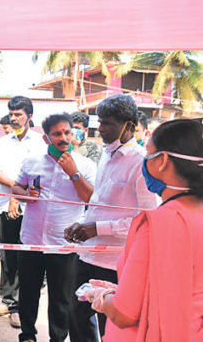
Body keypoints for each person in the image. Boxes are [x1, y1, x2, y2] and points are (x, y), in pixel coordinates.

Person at [83, 119, 203, 341]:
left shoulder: (157, 225)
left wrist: (101, 297)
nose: (144, 161)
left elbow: (124, 313)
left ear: (163, 161)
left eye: (148, 153)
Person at [65, 94, 157, 341]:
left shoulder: (140, 163)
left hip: (116, 263)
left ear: (128, 125)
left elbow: (146, 221)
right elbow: (98, 202)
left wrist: (98, 228)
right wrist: (83, 226)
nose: (100, 129)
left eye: (108, 124)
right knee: (76, 316)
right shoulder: (106, 154)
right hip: (87, 255)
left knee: (112, 327)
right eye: (100, 122)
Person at [12, 113, 96, 342]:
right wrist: (25, 195)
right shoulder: (32, 162)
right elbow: (16, 188)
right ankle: (27, 335)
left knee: (61, 298)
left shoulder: (86, 165)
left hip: (64, 244)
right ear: (46, 138)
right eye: (57, 134)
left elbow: (90, 199)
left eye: (67, 132)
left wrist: (73, 173)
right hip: (31, 239)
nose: (64, 138)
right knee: (28, 292)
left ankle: (57, 339)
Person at [0, 96, 46, 328]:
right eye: (12, 114)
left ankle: (22, 307)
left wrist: (20, 196)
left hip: (32, 209)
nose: (14, 118)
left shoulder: (40, 143)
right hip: (6, 206)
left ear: (30, 117)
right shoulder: (3, 142)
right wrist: (15, 193)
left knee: (28, 258)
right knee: (8, 255)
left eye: (19, 114)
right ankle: (8, 301)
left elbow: (40, 176)